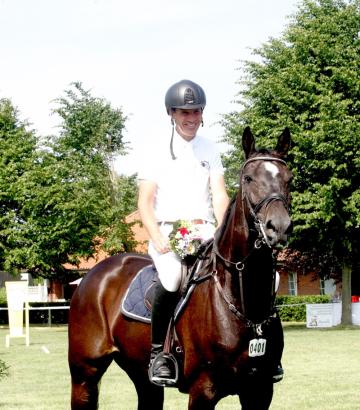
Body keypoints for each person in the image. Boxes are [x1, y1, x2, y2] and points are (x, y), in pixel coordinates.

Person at [137, 79, 230, 385]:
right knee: (173, 277)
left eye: (196, 111)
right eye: (184, 112)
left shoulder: (210, 148)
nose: (191, 118)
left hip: (205, 232)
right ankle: (158, 354)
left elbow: (219, 194)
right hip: (168, 230)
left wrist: (222, 229)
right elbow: (145, 202)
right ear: (171, 113)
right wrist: (156, 235)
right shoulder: (155, 150)